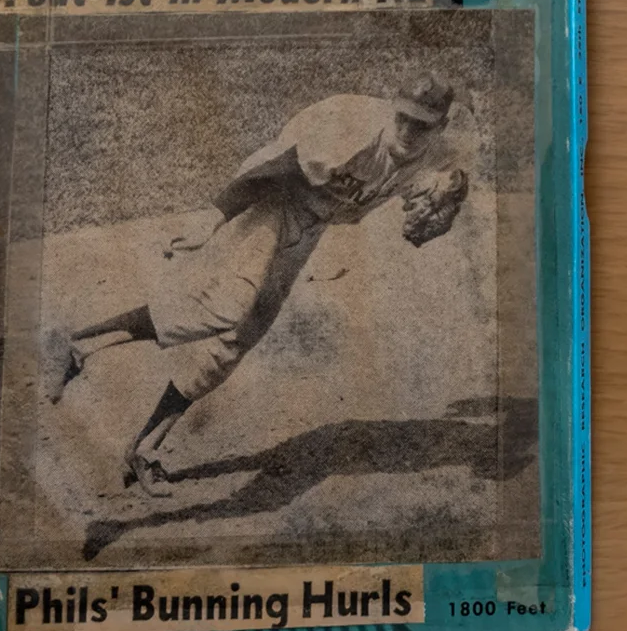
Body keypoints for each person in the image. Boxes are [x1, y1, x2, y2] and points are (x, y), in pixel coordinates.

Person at [42, 73, 469, 497]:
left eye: (423, 124)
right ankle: (80, 344)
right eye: (404, 118)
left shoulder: (443, 157)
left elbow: (436, 208)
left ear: (441, 126)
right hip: (274, 199)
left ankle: (143, 448)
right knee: (223, 308)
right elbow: (273, 173)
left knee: (233, 345)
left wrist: (445, 208)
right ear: (391, 106)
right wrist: (212, 219)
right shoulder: (351, 131)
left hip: (313, 224)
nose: (409, 131)